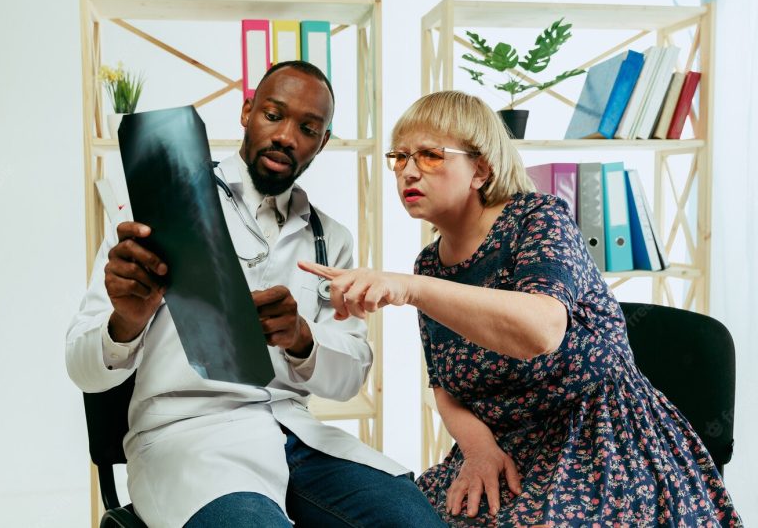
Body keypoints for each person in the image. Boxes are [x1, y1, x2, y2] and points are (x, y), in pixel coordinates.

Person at [300, 90, 742, 527]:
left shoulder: (538, 218)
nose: (408, 172)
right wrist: (478, 450)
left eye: (431, 156)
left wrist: (412, 288)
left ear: (481, 169)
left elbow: (541, 330)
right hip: (501, 448)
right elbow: (445, 386)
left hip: (599, 442)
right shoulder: (430, 264)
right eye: (400, 158)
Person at [66, 61, 445, 528]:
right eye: (273, 115)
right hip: (188, 440)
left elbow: (348, 379)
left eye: (308, 128)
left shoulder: (332, 238)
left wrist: (302, 338)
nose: (287, 136)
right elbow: (82, 367)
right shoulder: (158, 207)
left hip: (293, 434)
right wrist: (126, 320)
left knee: (415, 522)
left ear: (322, 142)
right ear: (247, 113)